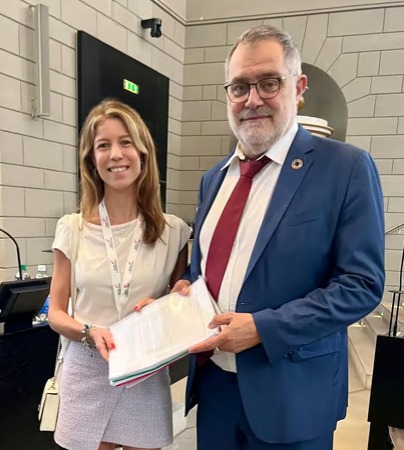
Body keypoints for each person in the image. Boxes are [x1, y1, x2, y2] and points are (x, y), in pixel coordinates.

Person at [173, 25, 385, 450]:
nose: (252, 99)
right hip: (215, 390)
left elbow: (361, 285)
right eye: (239, 87)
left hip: (293, 396)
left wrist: (264, 329)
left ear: (298, 87)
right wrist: (184, 293)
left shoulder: (345, 168)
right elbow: (205, 272)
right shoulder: (213, 180)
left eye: (268, 83)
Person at [48, 99, 191, 450]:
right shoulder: (72, 228)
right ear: (91, 160)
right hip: (87, 366)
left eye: (125, 142)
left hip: (144, 369)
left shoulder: (173, 232)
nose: (115, 154)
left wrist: (164, 307)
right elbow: (56, 313)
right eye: (103, 145)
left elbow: (181, 302)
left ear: (143, 152)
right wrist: (88, 332)